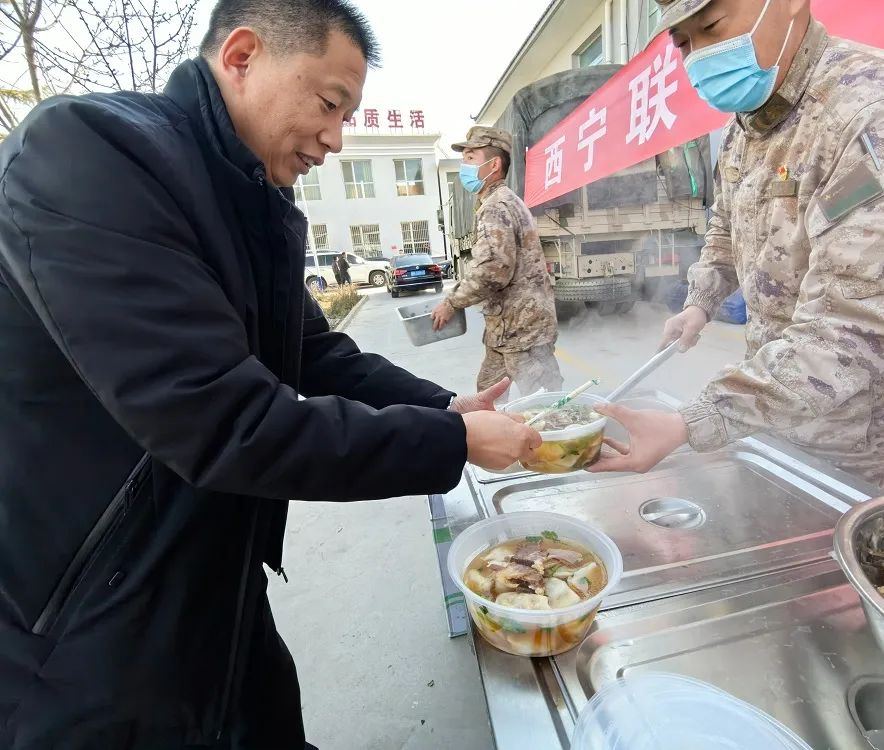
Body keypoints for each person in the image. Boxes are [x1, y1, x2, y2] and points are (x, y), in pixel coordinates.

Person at [0, 1, 541, 748]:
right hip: (94, 624)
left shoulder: (253, 201)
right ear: (243, 55)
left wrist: (445, 402)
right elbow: (226, 420)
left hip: (218, 582)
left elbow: (315, 353)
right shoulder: (89, 157)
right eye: (329, 104)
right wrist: (453, 444)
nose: (336, 138)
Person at [591, 0, 884, 492]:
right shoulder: (749, 123)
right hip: (777, 392)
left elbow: (855, 325)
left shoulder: (877, 111)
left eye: (713, 26)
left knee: (829, 552)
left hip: (863, 420)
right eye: (683, 44)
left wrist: (693, 421)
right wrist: (701, 301)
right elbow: (727, 223)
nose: (700, 56)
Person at [430, 126, 563, 398]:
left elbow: (492, 271)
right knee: (487, 398)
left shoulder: (496, 206)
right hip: (505, 331)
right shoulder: (502, 201)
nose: (463, 165)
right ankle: (495, 439)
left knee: (543, 405)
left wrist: (451, 302)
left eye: (470, 158)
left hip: (524, 332)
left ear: (494, 164)